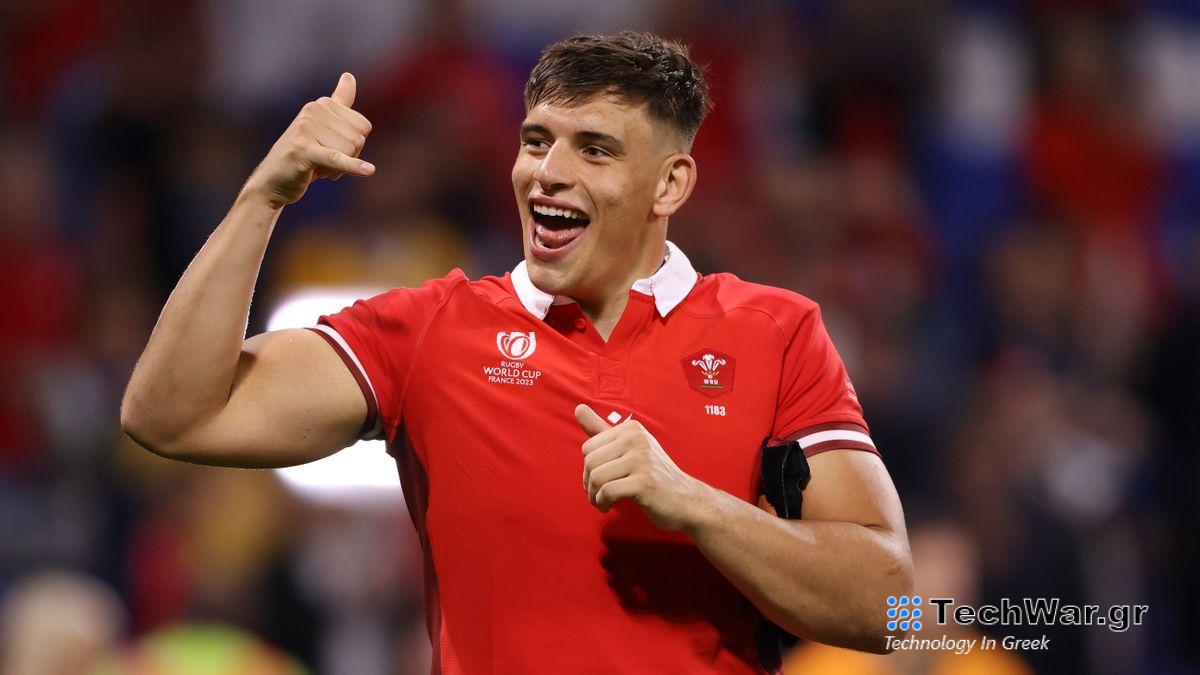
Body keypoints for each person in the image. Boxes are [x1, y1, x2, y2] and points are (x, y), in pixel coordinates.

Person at [120, 31, 912, 674]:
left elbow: (896, 608)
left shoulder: (774, 332)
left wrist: (698, 505)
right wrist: (264, 196)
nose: (549, 174)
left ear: (670, 185)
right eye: (537, 140)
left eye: (595, 150)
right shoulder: (434, 331)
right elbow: (172, 415)